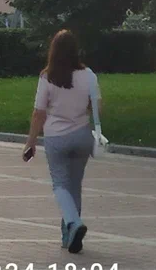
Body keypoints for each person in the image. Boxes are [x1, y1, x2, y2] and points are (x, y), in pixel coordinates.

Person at [24, 29, 100, 255]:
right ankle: (70, 237)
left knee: (60, 185)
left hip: (57, 137)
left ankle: (74, 225)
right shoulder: (88, 75)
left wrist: (31, 141)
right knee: (74, 185)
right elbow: (97, 106)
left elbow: (39, 113)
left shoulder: (47, 77)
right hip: (82, 135)